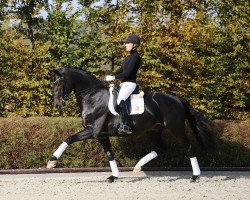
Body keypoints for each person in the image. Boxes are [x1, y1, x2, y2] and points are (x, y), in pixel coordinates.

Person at [105, 34, 142, 134]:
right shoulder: (128, 58)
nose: (125, 45)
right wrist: (112, 75)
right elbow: (121, 70)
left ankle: (127, 125)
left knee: (120, 100)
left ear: (134, 45)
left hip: (130, 83)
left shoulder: (135, 58)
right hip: (124, 84)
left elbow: (127, 73)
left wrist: (114, 77)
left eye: (127, 43)